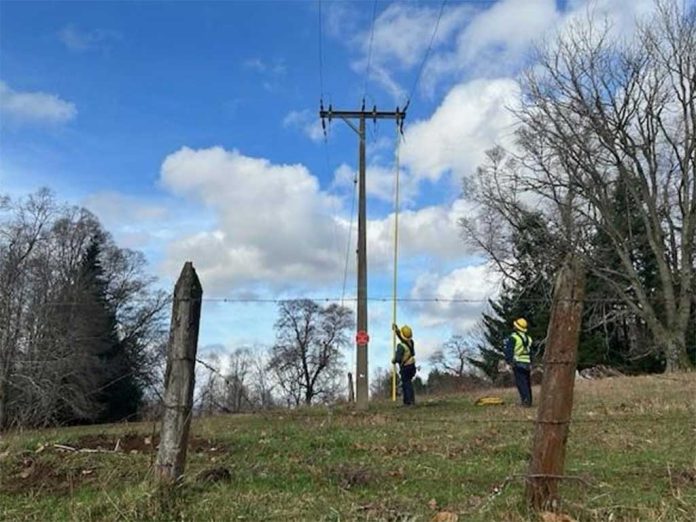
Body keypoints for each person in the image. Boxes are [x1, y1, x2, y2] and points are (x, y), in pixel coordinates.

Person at [504, 318, 533, 407]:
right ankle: (529, 400)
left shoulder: (513, 338)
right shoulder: (528, 338)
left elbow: (509, 351)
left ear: (516, 327)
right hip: (527, 362)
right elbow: (530, 351)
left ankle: (525, 401)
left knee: (521, 383)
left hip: (518, 362)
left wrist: (509, 362)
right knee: (527, 383)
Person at [392, 323, 416, 406]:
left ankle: (409, 402)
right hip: (412, 366)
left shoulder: (401, 346)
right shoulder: (411, 342)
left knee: (406, 384)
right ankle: (408, 401)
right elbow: (403, 339)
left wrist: (393, 360)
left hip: (405, 367)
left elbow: (398, 358)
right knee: (408, 383)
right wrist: (397, 331)